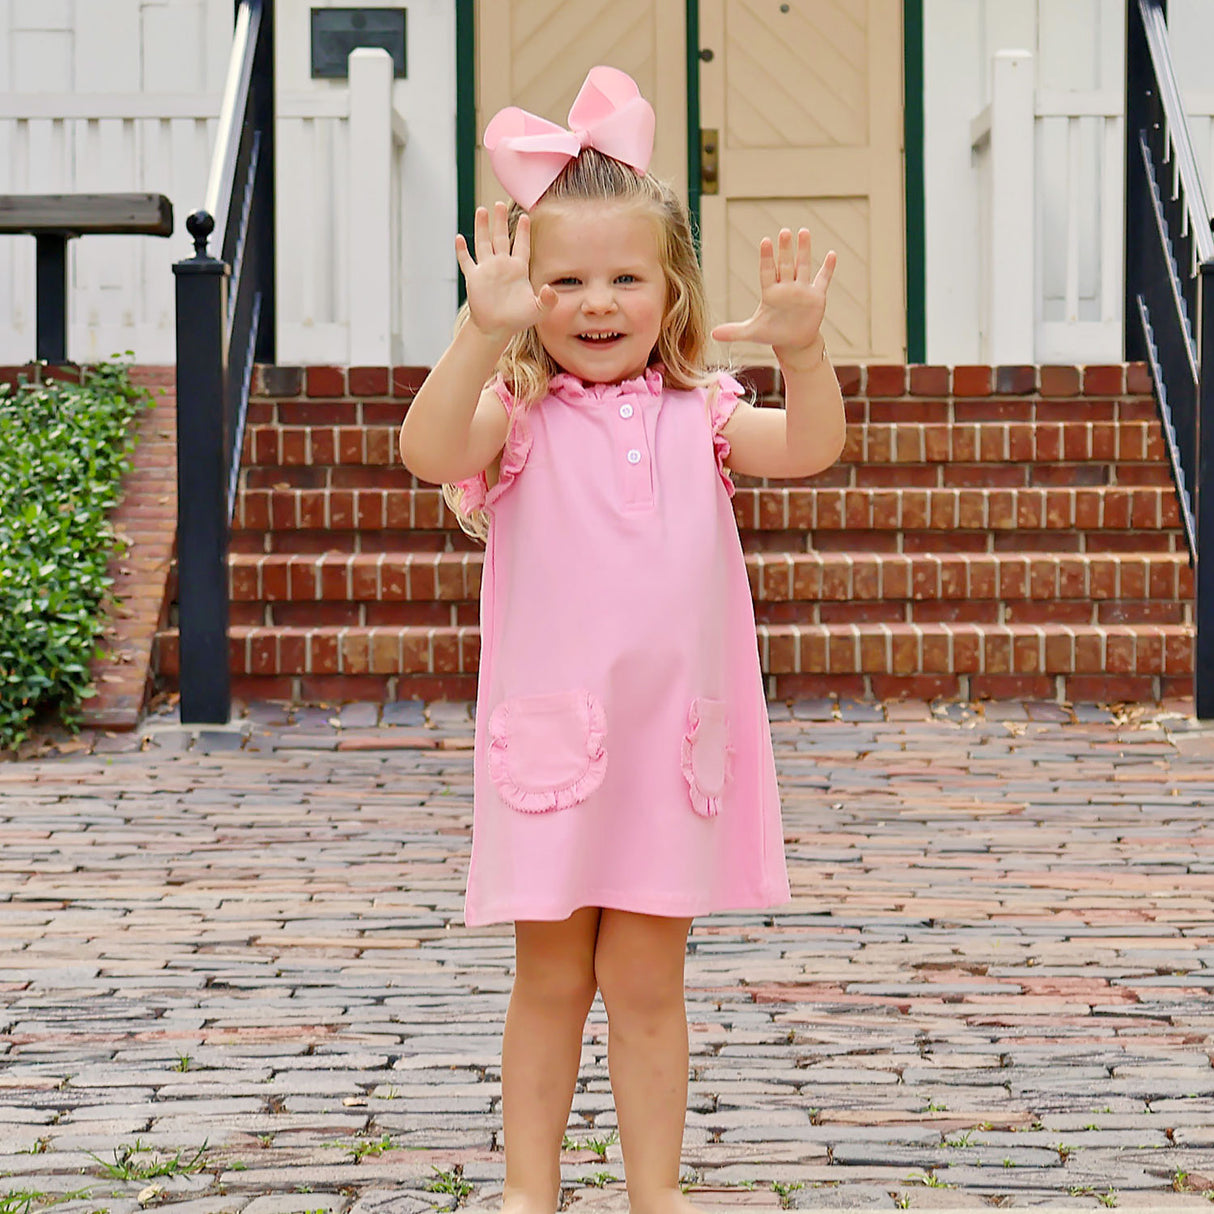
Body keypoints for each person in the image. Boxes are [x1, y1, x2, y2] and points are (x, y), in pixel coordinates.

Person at [399, 65, 845, 1214]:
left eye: (623, 278)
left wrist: (801, 350)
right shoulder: (515, 413)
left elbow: (804, 449)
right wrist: (474, 336)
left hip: (665, 749)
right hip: (553, 753)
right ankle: (526, 1194)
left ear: (669, 287)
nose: (596, 304)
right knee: (549, 974)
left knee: (647, 977)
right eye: (563, 281)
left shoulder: (698, 409)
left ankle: (659, 1194)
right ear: (524, 293)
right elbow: (424, 446)